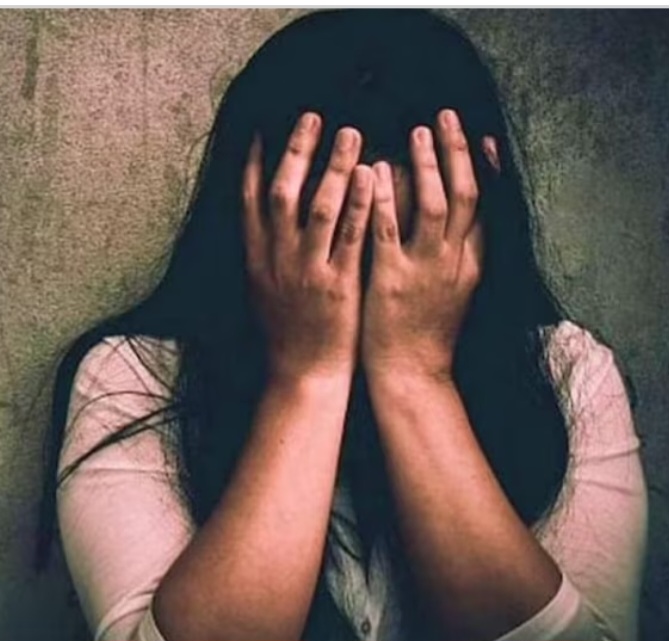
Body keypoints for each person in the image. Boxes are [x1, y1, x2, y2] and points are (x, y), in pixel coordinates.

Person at [35, 9, 647, 641]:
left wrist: (415, 375)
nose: (366, 279)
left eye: (412, 233)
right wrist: (306, 377)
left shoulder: (568, 374)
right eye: (324, 232)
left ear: (479, 197)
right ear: (250, 208)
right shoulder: (136, 378)